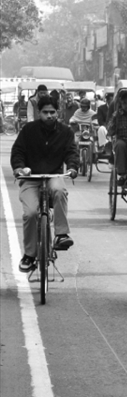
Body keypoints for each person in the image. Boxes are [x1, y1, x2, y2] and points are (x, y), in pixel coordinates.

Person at [10, 95, 79, 271]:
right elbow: (17, 152)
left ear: (58, 112)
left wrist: (72, 168)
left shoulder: (65, 132)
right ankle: (29, 255)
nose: (49, 115)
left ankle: (61, 235)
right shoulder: (28, 130)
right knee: (30, 213)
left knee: (59, 191)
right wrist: (19, 168)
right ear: (39, 113)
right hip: (30, 179)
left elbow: (71, 152)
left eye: (52, 112)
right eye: (45, 112)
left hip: (52, 176)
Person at [108, 91, 127, 185]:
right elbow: (110, 129)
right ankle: (123, 173)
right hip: (122, 139)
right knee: (120, 145)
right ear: (121, 103)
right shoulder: (117, 114)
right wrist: (112, 129)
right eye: (125, 103)